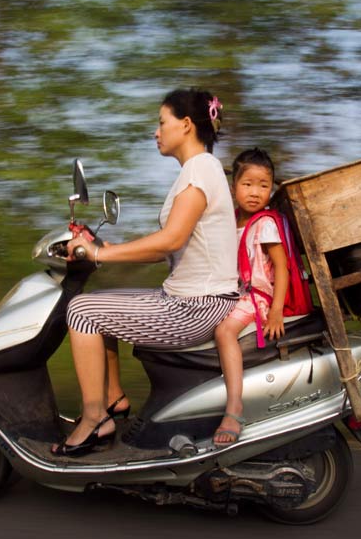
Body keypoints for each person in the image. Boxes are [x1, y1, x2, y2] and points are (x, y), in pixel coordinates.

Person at [53, 88, 239, 457]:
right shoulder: (198, 170)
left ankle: (95, 420)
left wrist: (100, 254)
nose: (156, 132)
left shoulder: (200, 169)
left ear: (186, 125)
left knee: (81, 311)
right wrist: (105, 250)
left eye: (161, 122)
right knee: (98, 304)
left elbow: (170, 240)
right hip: (190, 298)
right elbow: (170, 247)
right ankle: (114, 399)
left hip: (196, 306)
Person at [212, 148, 288, 447]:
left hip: (257, 297)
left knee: (224, 331)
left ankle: (234, 409)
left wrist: (276, 311)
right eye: (247, 184)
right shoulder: (230, 222)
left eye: (263, 185)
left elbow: (281, 267)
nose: (255, 192)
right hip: (234, 293)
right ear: (234, 188)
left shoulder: (265, 224)